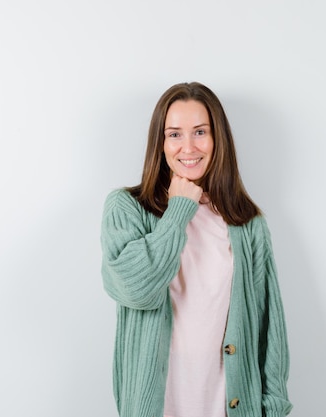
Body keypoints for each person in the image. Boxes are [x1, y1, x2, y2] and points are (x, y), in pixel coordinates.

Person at [101, 82, 292, 417]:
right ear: (159, 144)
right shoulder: (127, 209)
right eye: (174, 134)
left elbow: (269, 327)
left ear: (217, 138)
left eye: (199, 132)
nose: (187, 147)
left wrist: (274, 408)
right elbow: (134, 289)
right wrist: (178, 213)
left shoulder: (247, 224)